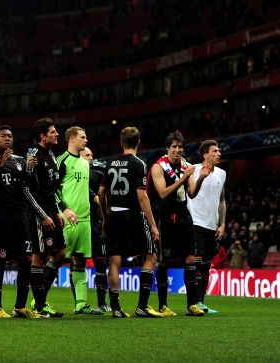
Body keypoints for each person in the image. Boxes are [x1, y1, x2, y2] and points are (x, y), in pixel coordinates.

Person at [98, 127, 163, 318]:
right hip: (133, 216)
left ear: (121, 142)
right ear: (138, 142)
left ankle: (116, 308)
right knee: (151, 256)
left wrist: (105, 215)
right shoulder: (139, 164)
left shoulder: (110, 163)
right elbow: (142, 196)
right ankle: (142, 305)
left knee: (114, 261)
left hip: (114, 216)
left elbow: (101, 192)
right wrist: (152, 224)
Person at [0, 125, 46, 319]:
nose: (8, 139)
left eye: (10, 136)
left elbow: (29, 187)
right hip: (0, 217)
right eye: (3, 136)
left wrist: (31, 169)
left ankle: (20, 306)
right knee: (0, 261)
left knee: (26, 260)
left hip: (20, 217)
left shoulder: (20, 160)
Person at [147, 131, 206, 317]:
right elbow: (163, 193)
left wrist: (201, 178)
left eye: (181, 147)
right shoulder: (159, 167)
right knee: (164, 262)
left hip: (183, 215)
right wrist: (182, 178)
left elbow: (191, 193)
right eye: (174, 147)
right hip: (164, 215)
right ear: (168, 148)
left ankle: (192, 305)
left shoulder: (187, 165)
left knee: (190, 258)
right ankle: (163, 305)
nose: (178, 150)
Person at [55, 126, 103, 316]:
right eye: (83, 137)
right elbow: (53, 190)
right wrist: (63, 210)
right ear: (72, 139)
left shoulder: (85, 163)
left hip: (85, 220)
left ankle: (81, 304)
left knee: (80, 261)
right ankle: (38, 302)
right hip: (68, 220)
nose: (86, 140)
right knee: (56, 258)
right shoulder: (62, 161)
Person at [27, 118, 66, 318]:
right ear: (43, 136)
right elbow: (27, 190)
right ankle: (40, 306)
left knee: (60, 254)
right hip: (38, 213)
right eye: (53, 131)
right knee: (39, 256)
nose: (57, 134)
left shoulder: (50, 155)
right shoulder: (33, 155)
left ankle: (40, 300)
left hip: (51, 209)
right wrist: (42, 215)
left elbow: (51, 189)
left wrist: (57, 210)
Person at [186, 139, 226, 314]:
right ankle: (193, 303)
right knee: (197, 264)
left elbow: (222, 200)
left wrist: (222, 223)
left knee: (207, 265)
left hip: (211, 225)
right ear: (205, 155)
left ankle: (201, 302)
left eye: (219, 151)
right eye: (215, 151)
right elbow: (191, 193)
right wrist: (202, 176)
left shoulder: (222, 173)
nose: (219, 153)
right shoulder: (192, 169)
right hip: (195, 223)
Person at [81, 147, 111, 312]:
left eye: (92, 154)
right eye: (87, 155)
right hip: (80, 222)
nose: (91, 157)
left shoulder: (98, 171)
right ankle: (80, 303)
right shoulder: (76, 173)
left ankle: (102, 303)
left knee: (100, 262)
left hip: (97, 223)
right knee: (78, 263)